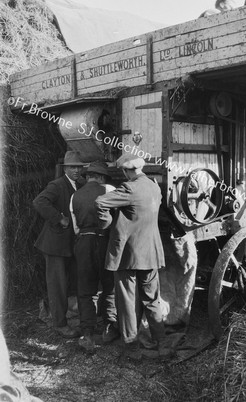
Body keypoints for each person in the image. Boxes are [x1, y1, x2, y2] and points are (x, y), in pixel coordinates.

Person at [94, 152, 170, 360]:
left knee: (127, 300)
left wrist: (107, 225)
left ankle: (131, 346)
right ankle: (162, 343)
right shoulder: (155, 187)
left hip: (128, 255)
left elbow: (100, 202)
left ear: (127, 171)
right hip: (151, 252)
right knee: (152, 299)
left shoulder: (129, 188)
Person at [33, 151, 85, 339]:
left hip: (68, 244)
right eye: (73, 167)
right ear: (65, 169)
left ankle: (64, 317)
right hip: (54, 245)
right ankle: (59, 324)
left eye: (79, 167)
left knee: (67, 283)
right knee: (57, 285)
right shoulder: (57, 185)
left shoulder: (79, 185)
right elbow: (39, 202)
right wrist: (58, 218)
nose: (77, 170)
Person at [69, 161, 119, 353]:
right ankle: (109, 327)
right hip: (105, 242)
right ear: (101, 177)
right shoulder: (109, 189)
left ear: (88, 176)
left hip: (84, 241)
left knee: (85, 289)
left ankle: (87, 331)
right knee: (109, 285)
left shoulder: (75, 196)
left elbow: (75, 227)